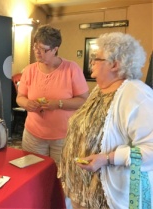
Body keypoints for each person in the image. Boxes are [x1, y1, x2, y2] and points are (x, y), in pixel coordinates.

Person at [60, 32, 153, 209]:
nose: (91, 62)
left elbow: (151, 150)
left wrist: (108, 158)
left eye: (97, 58)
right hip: (83, 191)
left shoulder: (137, 95)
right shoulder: (99, 90)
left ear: (115, 65)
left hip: (108, 198)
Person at [16, 25, 89, 166]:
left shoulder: (71, 68)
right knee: (33, 174)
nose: (37, 52)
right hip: (33, 136)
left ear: (55, 49)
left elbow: (84, 100)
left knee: (60, 176)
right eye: (35, 47)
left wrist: (58, 104)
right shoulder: (29, 70)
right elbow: (20, 97)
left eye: (43, 49)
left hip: (63, 137)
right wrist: (26, 104)